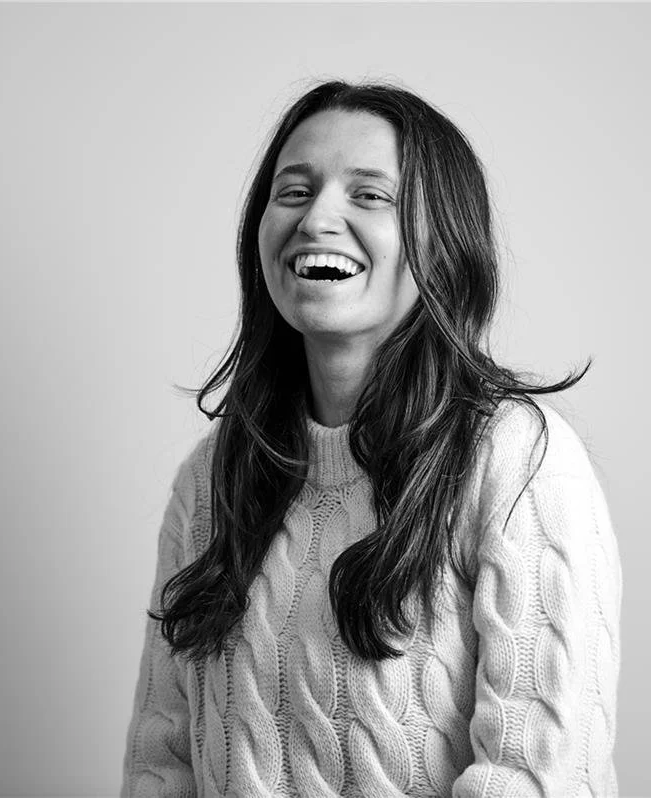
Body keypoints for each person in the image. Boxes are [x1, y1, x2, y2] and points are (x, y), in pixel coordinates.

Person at [120, 80, 622, 798]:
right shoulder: (211, 479)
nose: (317, 217)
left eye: (370, 195)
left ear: (441, 239)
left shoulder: (518, 463)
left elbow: (537, 777)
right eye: (293, 191)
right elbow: (158, 768)